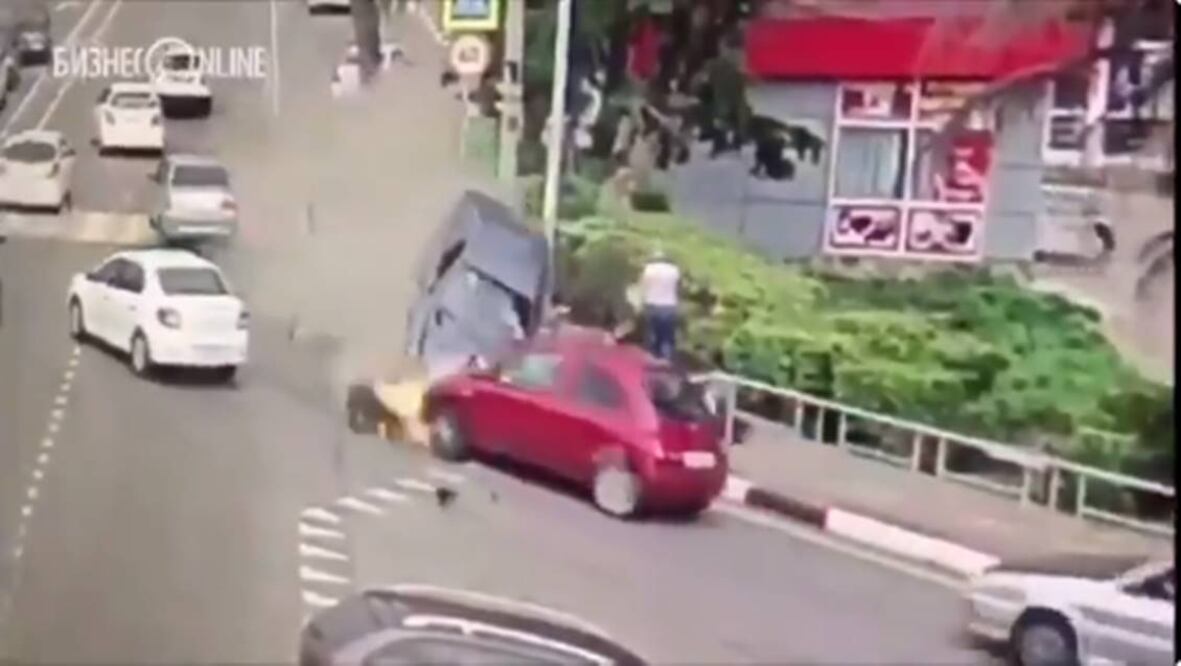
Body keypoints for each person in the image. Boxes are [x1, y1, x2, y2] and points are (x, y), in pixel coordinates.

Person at [638, 247, 681, 360]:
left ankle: (653, 355)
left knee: (653, 330)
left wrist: (641, 302)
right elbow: (678, 287)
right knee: (667, 331)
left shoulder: (648, 269)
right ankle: (666, 355)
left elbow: (643, 286)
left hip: (652, 303)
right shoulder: (674, 270)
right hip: (669, 304)